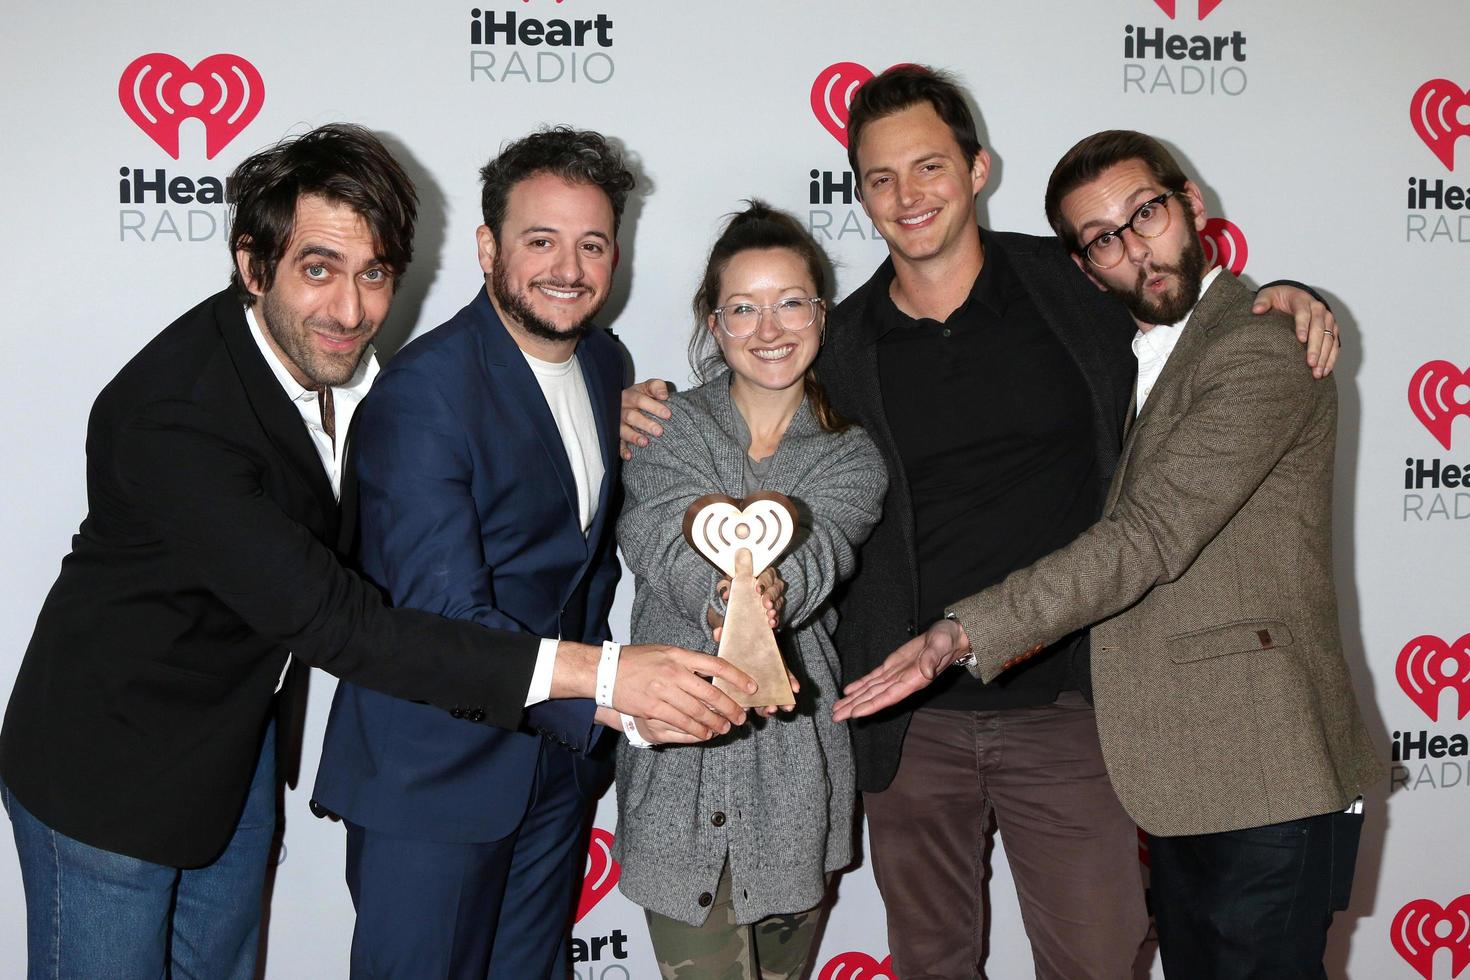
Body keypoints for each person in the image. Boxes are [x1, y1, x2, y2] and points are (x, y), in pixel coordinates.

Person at [623, 67, 1343, 980]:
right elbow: (750, 437)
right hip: (906, 715)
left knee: (1096, 959)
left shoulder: (1073, 285)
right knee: (931, 963)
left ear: (976, 168)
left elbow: (1185, 313)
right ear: (861, 197)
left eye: (928, 167)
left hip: (1075, 704)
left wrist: (1284, 292)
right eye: (880, 179)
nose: (907, 196)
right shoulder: (835, 342)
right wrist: (646, 409)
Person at [0, 123, 751, 980]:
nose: (351, 310)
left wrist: (579, 427)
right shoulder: (174, 419)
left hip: (231, 743)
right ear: (252, 265)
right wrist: (609, 679)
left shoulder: (352, 368)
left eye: (374, 274)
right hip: (110, 764)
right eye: (318, 269)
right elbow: (342, 621)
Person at [835, 129, 1379, 980]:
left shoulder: (1259, 343)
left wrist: (960, 633)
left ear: (1193, 207)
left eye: (1147, 215)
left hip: (1253, 763)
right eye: (1103, 239)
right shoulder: (1134, 349)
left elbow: (1150, 533)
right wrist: (648, 405)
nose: (1134, 250)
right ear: (1087, 267)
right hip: (1170, 761)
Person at [309, 128, 757, 980]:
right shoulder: (421, 397)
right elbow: (445, 619)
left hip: (553, 776)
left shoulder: (603, 362)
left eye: (592, 244)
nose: (569, 267)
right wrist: (614, 696)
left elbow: (577, 556)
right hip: (434, 778)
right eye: (540, 240)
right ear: (488, 248)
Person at [613, 202, 887, 980]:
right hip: (676, 772)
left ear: (822, 313)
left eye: (790, 301)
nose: (770, 327)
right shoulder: (666, 425)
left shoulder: (849, 454)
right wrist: (732, 594)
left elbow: (824, 545)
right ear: (714, 320)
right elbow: (658, 533)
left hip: (793, 779)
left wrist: (773, 589)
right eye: (744, 307)